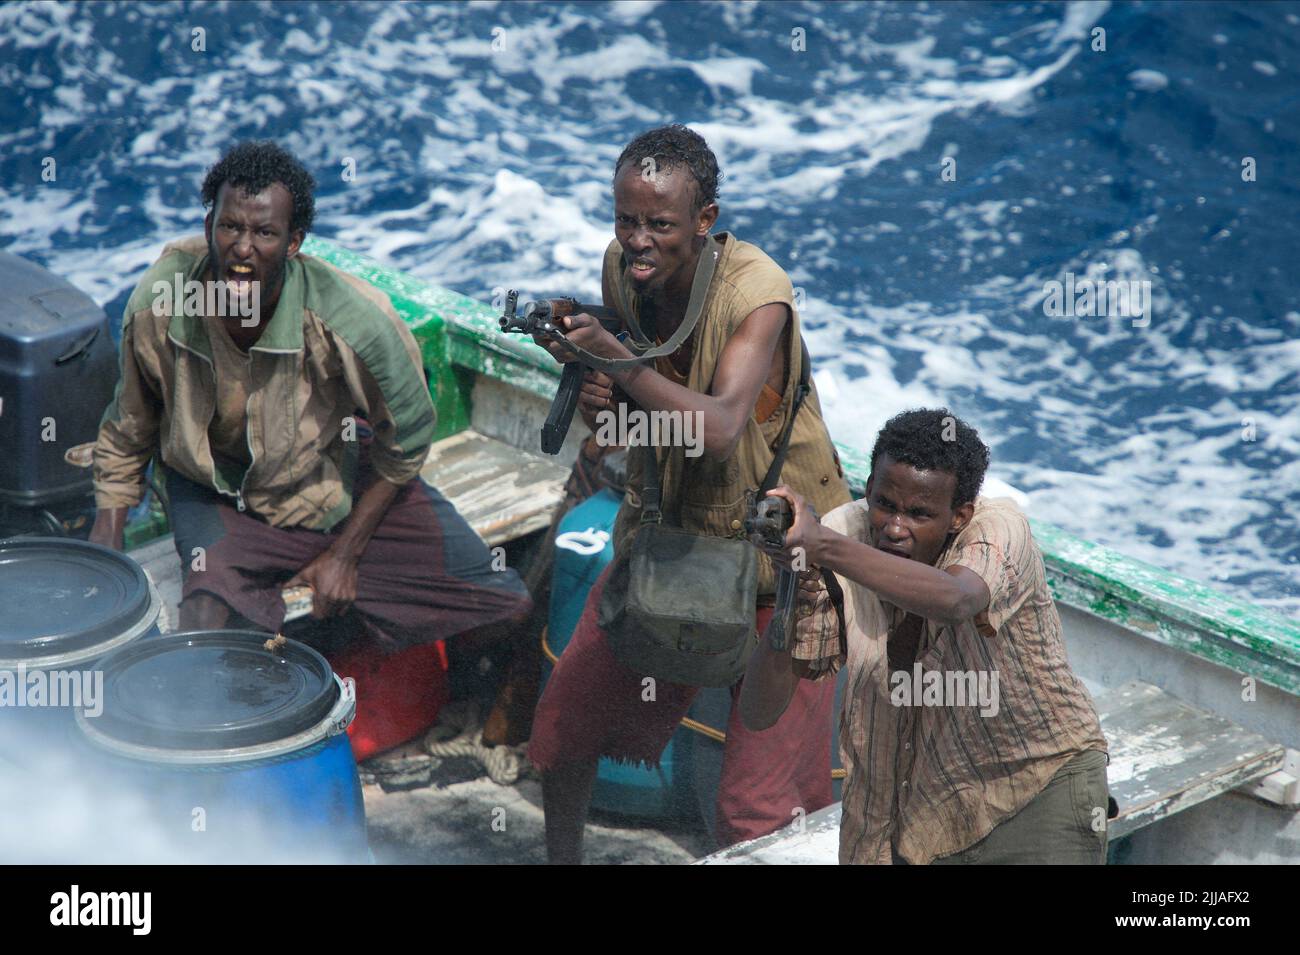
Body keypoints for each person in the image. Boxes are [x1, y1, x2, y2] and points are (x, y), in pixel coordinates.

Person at [526, 125, 852, 861]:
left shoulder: (757, 293)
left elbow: (719, 428)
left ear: (706, 221)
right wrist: (598, 387)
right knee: (562, 728)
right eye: (625, 220)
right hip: (672, 544)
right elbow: (641, 413)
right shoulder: (625, 275)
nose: (638, 241)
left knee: (756, 810)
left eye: (660, 224)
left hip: (783, 565)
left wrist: (613, 355)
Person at [90, 140, 531, 656]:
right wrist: (108, 540)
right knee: (202, 634)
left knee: (504, 604)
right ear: (209, 222)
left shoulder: (353, 320)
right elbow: (129, 428)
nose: (242, 248)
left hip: (330, 480)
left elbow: (407, 440)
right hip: (216, 490)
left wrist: (346, 554)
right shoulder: (161, 301)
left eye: (265, 233)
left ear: (295, 242)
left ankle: (366, 654)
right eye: (230, 226)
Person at [743, 408, 1111, 864]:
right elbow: (758, 712)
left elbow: (956, 599)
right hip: (908, 817)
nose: (895, 528)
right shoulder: (842, 532)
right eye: (885, 506)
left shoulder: (999, 528)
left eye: (919, 514)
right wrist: (791, 578)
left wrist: (821, 546)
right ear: (868, 492)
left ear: (960, 515)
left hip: (1032, 789)